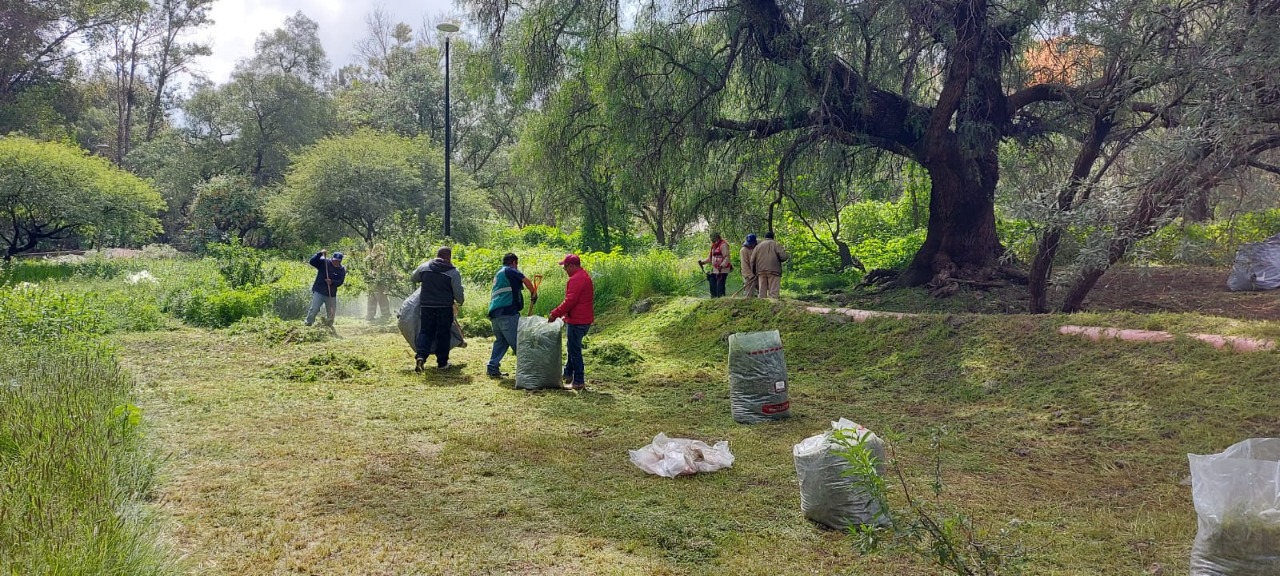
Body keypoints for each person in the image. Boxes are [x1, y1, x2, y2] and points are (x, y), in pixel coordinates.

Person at [411, 246, 465, 372]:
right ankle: (442, 363)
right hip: (444, 307)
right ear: (449, 257)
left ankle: (421, 357)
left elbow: (413, 278)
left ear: (437, 254)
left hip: (426, 306)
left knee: (425, 332)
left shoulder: (424, 267)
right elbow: (458, 292)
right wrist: (460, 301)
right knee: (443, 334)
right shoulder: (453, 272)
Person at [486, 252, 539, 378]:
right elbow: (526, 280)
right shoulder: (510, 270)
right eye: (517, 264)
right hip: (507, 313)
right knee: (519, 342)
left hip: (495, 314)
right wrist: (533, 293)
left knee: (502, 341)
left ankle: (492, 367)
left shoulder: (499, 274)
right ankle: (528, 371)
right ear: (514, 262)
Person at [547, 253, 594, 390]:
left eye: (565, 267)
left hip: (578, 320)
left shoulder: (576, 279)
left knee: (574, 350)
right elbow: (577, 301)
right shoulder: (583, 276)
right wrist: (565, 316)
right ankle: (568, 374)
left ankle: (578, 381)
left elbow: (570, 301)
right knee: (571, 347)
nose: (565, 270)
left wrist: (555, 314)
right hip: (582, 318)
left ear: (573, 265)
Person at [305, 249, 346, 326]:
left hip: (331, 293)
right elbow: (312, 262)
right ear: (332, 259)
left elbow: (340, 281)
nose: (336, 262)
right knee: (315, 308)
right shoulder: (325, 263)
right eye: (334, 260)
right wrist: (320, 253)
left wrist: (332, 282)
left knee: (331, 311)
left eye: (338, 261)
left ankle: (329, 324)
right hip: (319, 291)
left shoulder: (342, 269)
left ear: (340, 261)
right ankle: (309, 322)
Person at [750, 231, 789, 299]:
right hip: (774, 271)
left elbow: (752, 260)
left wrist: (754, 271)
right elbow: (784, 257)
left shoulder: (758, 246)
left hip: (761, 271)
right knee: (773, 291)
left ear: (765, 237)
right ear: (773, 237)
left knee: (762, 291)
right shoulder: (776, 244)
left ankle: (762, 306)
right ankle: (773, 305)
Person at [363, 242, 394, 322]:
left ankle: (383, 315)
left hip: (380, 282)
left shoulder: (383, 259)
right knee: (375, 299)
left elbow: (390, 268)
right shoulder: (369, 259)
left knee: (379, 298)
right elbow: (366, 270)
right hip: (373, 282)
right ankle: (373, 315)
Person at [698, 231, 733, 298]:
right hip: (715, 269)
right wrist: (702, 262)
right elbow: (710, 258)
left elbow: (727, 258)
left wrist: (722, 265)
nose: (711, 239)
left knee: (720, 285)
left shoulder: (723, 245)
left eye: (712, 238)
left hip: (723, 269)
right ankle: (713, 298)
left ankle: (722, 299)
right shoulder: (713, 246)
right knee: (712, 281)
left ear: (716, 237)